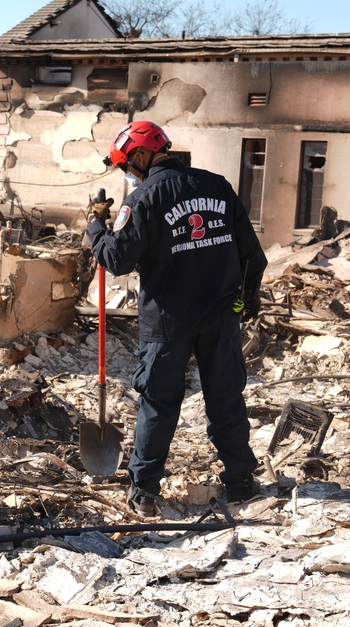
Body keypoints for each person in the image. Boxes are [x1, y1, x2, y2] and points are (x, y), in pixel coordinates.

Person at [87, 121, 268, 516]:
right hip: (221, 318)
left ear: (139, 156)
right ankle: (240, 482)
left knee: (158, 405)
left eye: (126, 166)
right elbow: (254, 256)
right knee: (226, 401)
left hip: (168, 324)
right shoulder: (218, 185)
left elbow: (117, 259)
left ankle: (145, 492)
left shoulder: (145, 197)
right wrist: (244, 303)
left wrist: (96, 226)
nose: (128, 173)